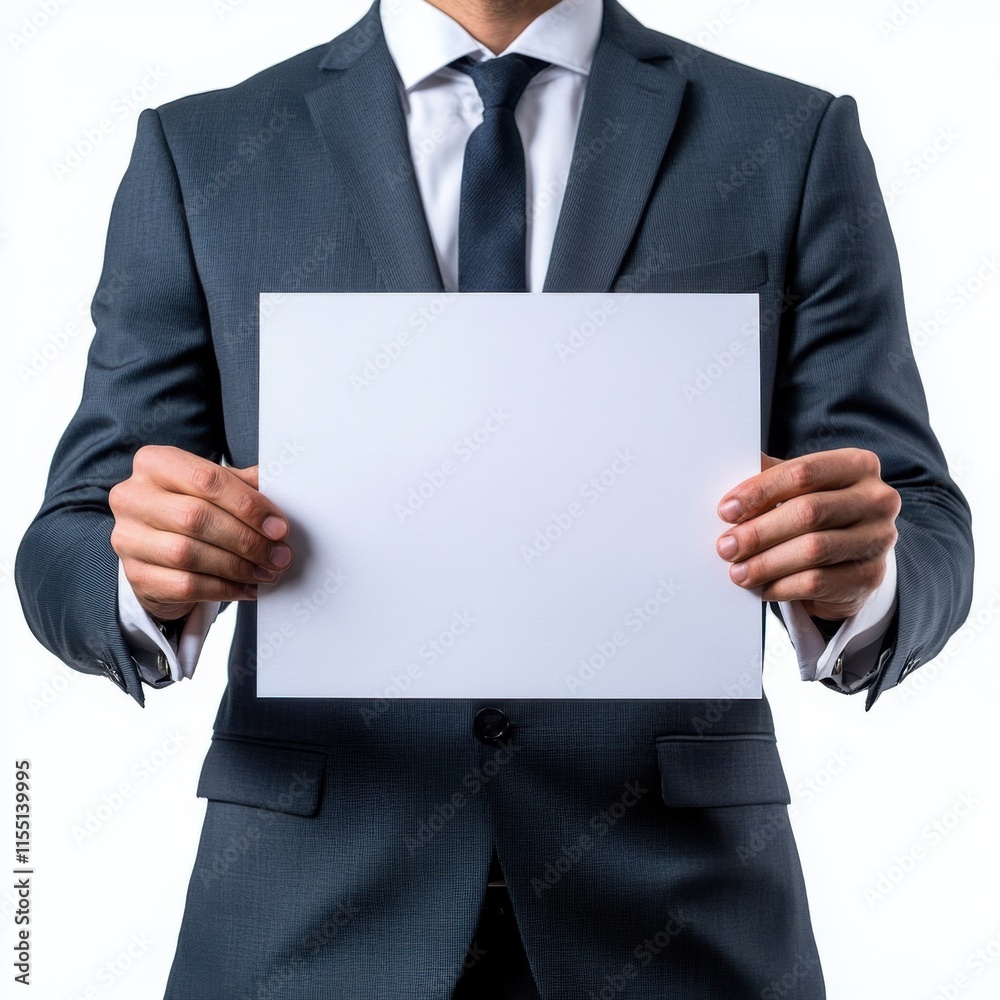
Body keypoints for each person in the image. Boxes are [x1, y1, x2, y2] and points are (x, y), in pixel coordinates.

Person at [15, 0, 973, 997]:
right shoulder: (206, 151)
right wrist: (142, 570)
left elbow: (920, 513)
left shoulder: (785, 138)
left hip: (680, 925)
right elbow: (70, 535)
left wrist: (870, 566)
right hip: (306, 924)